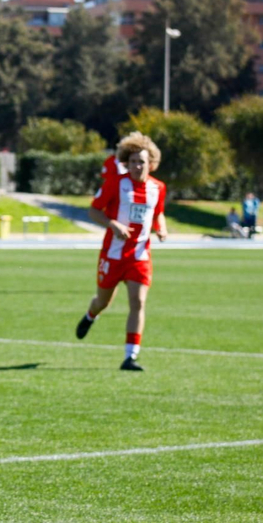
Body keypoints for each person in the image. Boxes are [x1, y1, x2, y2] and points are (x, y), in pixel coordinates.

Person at [75, 131, 168, 370]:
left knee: (138, 302)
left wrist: (162, 229)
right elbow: (94, 211)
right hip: (113, 254)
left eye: (142, 162)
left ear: (151, 164)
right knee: (103, 301)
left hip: (139, 256)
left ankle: (130, 356)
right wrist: (112, 224)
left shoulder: (158, 188)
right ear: (127, 162)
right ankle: (90, 315)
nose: (137, 166)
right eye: (134, 161)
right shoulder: (116, 183)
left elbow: (158, 213)